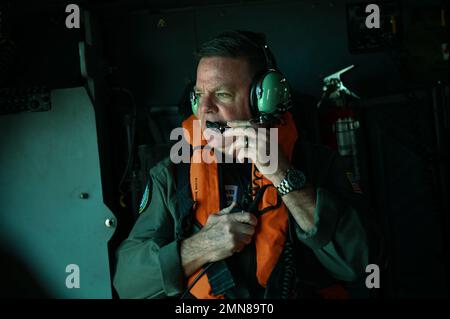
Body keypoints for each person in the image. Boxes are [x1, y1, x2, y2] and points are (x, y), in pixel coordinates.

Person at [113, 30, 369, 299]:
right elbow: (128, 283)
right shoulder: (171, 174)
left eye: (222, 94)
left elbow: (358, 264)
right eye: (199, 94)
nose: (204, 109)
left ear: (263, 99)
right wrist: (201, 246)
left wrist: (283, 175)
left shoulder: (319, 163)